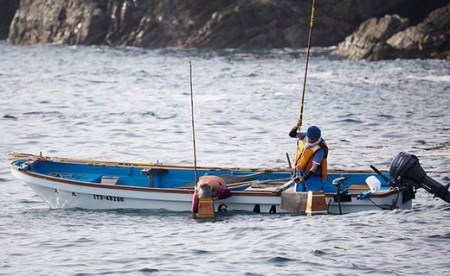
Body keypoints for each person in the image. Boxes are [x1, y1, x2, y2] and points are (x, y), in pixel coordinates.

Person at [289, 120, 328, 191]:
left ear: (316, 138)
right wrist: (297, 126)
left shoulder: (320, 150)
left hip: (313, 177)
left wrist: (304, 178)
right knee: (299, 193)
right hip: (301, 172)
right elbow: (291, 134)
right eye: (308, 138)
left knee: (312, 196)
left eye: (312, 139)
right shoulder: (306, 136)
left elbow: (313, 168)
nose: (309, 140)